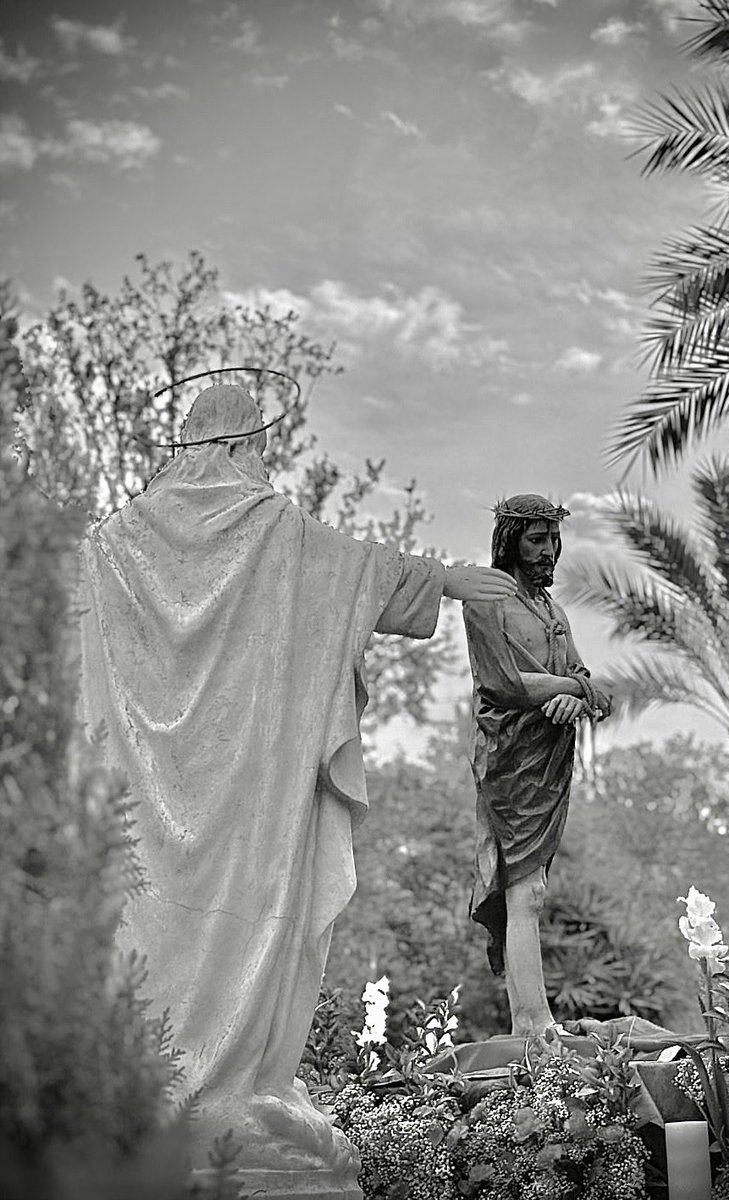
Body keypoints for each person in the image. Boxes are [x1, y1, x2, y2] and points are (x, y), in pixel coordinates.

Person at [74, 384, 515, 1184]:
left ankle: (156, 1092)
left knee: (144, 927)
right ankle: (234, 1087)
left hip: (141, 799)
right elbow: (361, 572)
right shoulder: (272, 529)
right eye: (262, 450)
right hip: (250, 795)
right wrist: (452, 580)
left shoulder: (111, 545)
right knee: (249, 929)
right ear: (244, 446)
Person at [462, 494, 610, 1037]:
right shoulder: (485, 600)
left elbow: (577, 672)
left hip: (549, 759)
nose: (549, 552)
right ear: (510, 541)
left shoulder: (553, 611)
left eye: (553, 540)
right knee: (524, 890)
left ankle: (536, 1019)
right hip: (510, 761)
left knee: (536, 889)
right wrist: (578, 687)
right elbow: (502, 683)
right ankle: (531, 1023)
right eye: (536, 540)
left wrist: (575, 694)